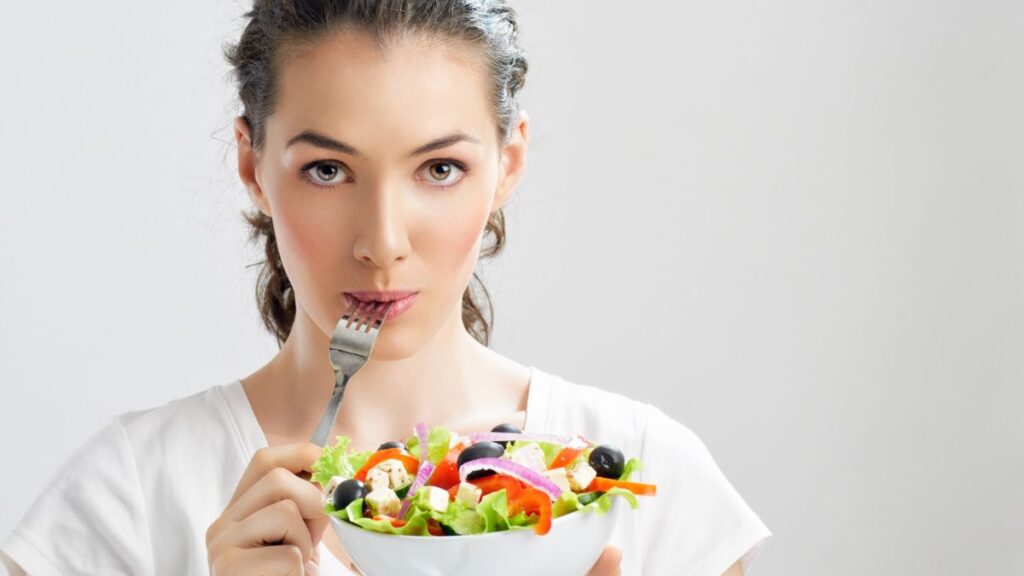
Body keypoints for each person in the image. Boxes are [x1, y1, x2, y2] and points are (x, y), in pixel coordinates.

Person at [0, 1, 771, 574]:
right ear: (251, 165)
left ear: (508, 163)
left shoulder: (647, 479)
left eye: (440, 169)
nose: (384, 243)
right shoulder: (130, 496)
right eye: (328, 171)